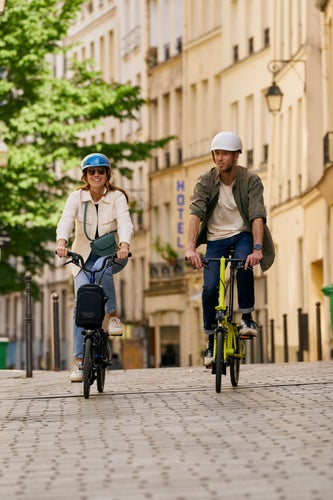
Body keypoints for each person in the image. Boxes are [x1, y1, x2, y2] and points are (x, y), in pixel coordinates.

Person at [185, 131, 275, 366]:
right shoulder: (205, 181)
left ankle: (246, 318)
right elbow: (196, 212)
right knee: (209, 288)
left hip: (242, 234)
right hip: (216, 239)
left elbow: (257, 214)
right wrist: (190, 248)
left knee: (245, 261)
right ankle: (211, 339)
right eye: (217, 153)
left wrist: (257, 248)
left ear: (236, 156)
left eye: (225, 153)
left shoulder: (250, 180)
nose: (220, 158)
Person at [56, 153, 133, 382]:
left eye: (101, 171)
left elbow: (125, 222)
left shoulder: (117, 197)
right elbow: (66, 220)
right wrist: (62, 242)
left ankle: (113, 315)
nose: (96, 175)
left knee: (102, 267)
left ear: (108, 174)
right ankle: (79, 361)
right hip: (82, 256)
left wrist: (124, 245)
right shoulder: (76, 197)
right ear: (85, 176)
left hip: (113, 254)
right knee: (81, 303)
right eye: (92, 172)